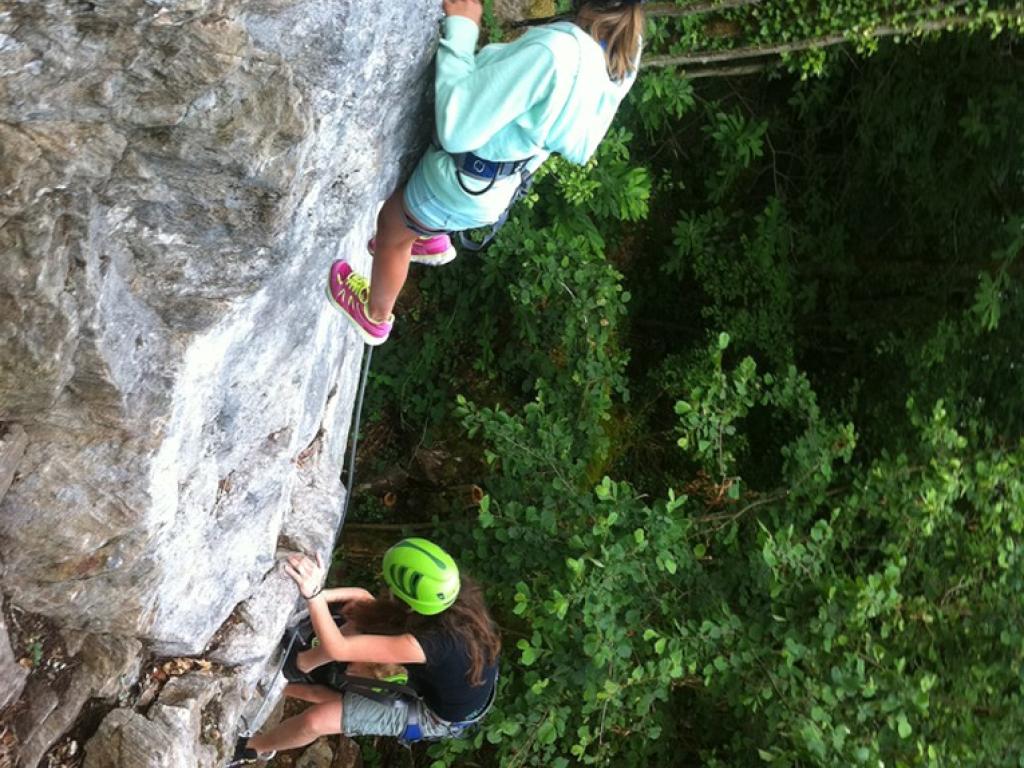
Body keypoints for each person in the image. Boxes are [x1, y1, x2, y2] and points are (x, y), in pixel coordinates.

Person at [327, 0, 646, 345]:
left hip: (457, 183)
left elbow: (456, 123)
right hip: (493, 185)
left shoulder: (556, 54)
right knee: (419, 219)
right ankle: (429, 234)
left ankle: (375, 316)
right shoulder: (625, 51)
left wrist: (462, 29)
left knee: (391, 229)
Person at [228, 538, 500, 765]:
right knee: (360, 616)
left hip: (438, 715)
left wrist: (312, 594)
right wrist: (322, 595)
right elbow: (362, 599)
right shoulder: (455, 597)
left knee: (317, 720)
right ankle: (298, 666)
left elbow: (339, 648)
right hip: (462, 685)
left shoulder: (426, 643)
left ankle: (250, 748)